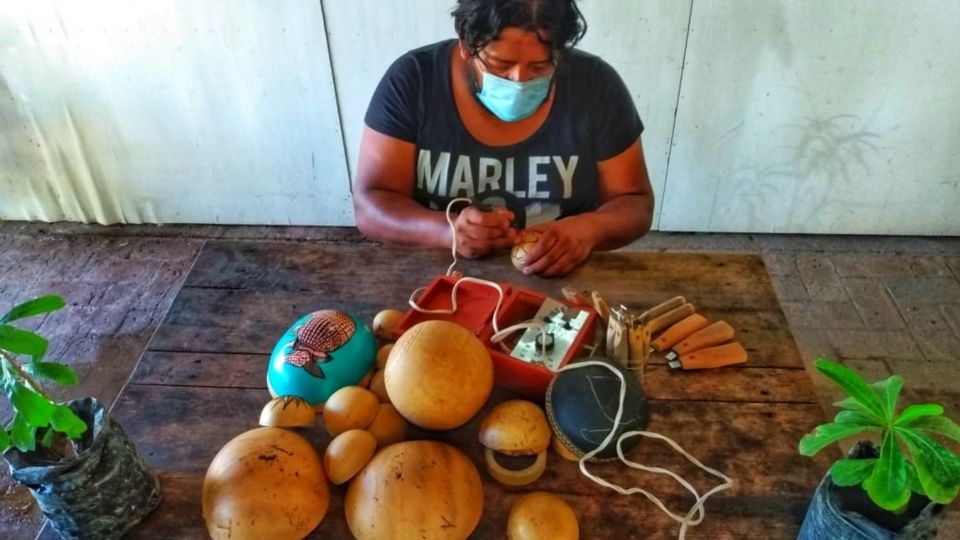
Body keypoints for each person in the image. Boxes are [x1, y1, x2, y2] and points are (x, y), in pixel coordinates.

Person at [352, 0, 653, 277]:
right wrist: (447, 231)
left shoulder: (597, 87)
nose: (519, 81)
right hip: (444, 275)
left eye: (539, 67)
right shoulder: (414, 81)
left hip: (562, 278)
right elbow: (370, 203)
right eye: (499, 65)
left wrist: (588, 230)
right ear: (466, 45)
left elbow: (635, 202)